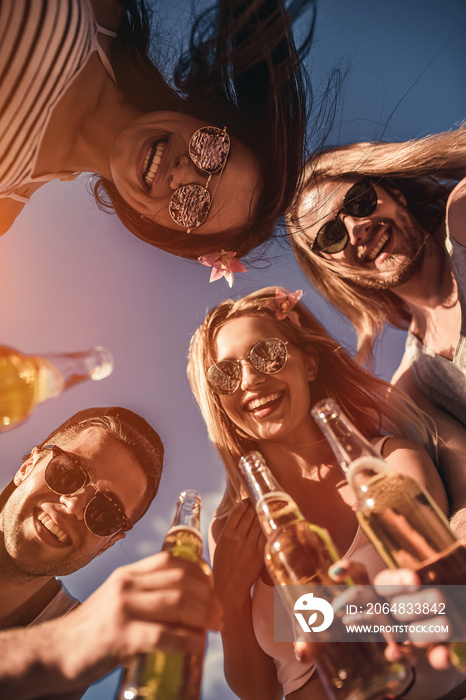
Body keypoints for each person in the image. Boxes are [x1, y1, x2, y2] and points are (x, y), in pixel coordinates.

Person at [187, 286, 465, 700]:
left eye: (268, 354)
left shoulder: (388, 466)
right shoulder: (230, 529)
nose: (250, 379)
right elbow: (258, 691)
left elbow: (449, 604)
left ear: (310, 363)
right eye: (226, 374)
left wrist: (335, 621)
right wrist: (227, 594)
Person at [0, 0, 316, 262]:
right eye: (212, 150)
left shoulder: (4, 208)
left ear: (153, 224)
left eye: (192, 207)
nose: (181, 175)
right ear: (203, 116)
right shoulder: (102, 9)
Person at [286, 126, 466, 534]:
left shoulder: (463, 214)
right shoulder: (415, 388)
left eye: (360, 201)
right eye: (331, 237)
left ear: (394, 193)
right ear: (335, 269)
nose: (357, 228)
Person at [0, 406, 221, 699]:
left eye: (106, 512)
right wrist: (55, 647)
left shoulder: (76, 648)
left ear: (108, 542)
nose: (74, 507)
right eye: (67, 472)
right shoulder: (70, 643)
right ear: (28, 466)